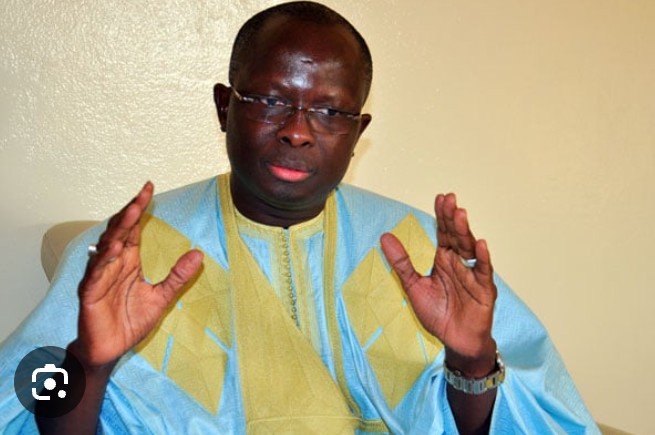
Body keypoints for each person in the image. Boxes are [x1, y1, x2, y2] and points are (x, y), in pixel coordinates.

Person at [0, 2, 598, 434]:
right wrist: (87, 364)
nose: (296, 131)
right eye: (270, 100)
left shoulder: (420, 249)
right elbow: (21, 405)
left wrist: (471, 363)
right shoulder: (128, 252)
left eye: (330, 112)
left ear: (358, 132)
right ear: (224, 107)